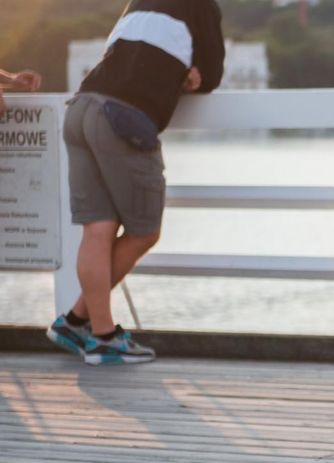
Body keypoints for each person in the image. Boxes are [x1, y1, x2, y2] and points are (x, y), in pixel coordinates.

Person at [46, 0, 224, 365]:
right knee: (144, 231)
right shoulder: (202, 5)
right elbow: (210, 76)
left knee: (98, 228)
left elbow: (122, 55)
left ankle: (83, 326)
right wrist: (191, 75)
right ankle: (99, 333)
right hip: (121, 116)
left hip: (80, 108)